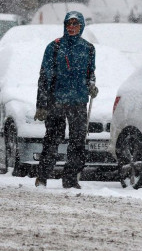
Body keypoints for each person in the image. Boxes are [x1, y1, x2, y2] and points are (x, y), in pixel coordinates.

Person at [33, 11, 97, 189]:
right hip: (56, 101)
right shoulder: (54, 47)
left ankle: (70, 179)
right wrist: (42, 105)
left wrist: (91, 85)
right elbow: (44, 77)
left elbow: (90, 73)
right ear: (64, 25)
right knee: (53, 139)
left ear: (81, 26)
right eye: (69, 24)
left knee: (78, 141)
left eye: (76, 24)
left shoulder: (88, 49)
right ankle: (43, 176)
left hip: (78, 102)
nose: (72, 28)